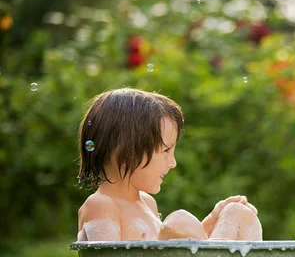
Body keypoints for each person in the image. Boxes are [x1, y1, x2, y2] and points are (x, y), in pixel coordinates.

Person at [76, 87, 262, 242]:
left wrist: (214, 219)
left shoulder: (147, 202)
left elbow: (176, 252)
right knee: (180, 222)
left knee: (236, 212)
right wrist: (179, 227)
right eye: (166, 151)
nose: (172, 163)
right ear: (128, 153)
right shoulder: (101, 205)